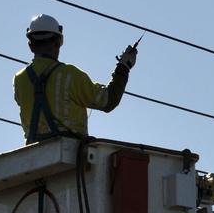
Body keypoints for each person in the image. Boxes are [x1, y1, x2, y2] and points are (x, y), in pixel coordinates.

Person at [13, 14, 137, 144]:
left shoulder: (19, 79)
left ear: (30, 45)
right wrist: (123, 67)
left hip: (33, 156)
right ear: (58, 42)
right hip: (69, 154)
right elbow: (108, 101)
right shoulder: (69, 75)